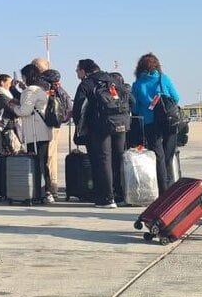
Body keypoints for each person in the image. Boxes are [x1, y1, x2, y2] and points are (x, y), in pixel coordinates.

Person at [72, 59, 127, 208]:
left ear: (84, 70)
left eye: (77, 70)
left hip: (99, 127)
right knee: (118, 159)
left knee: (103, 161)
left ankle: (106, 199)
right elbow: (131, 100)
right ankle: (120, 195)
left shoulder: (86, 84)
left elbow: (78, 109)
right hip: (120, 125)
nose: (76, 73)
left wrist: (81, 127)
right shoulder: (113, 80)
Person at [131, 53, 180, 193]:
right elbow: (176, 97)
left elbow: (134, 107)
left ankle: (162, 190)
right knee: (169, 156)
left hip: (150, 123)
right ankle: (172, 188)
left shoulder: (138, 84)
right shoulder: (163, 79)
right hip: (168, 121)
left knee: (158, 157)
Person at [14, 64, 56, 203]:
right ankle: (48, 191)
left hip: (34, 132)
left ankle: (38, 191)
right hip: (44, 131)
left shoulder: (30, 90)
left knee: (36, 163)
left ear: (27, 76)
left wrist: (14, 106)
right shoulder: (41, 89)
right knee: (43, 162)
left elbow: (24, 111)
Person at [41, 68, 72, 196]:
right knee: (51, 155)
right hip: (57, 125)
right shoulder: (62, 91)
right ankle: (52, 186)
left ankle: (51, 187)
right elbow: (69, 108)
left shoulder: (50, 92)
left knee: (49, 156)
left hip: (51, 125)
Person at [0, 73, 21, 154]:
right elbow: (13, 109)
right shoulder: (1, 97)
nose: (10, 85)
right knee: (14, 151)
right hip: (7, 128)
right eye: (9, 82)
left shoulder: (6, 95)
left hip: (9, 127)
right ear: (2, 82)